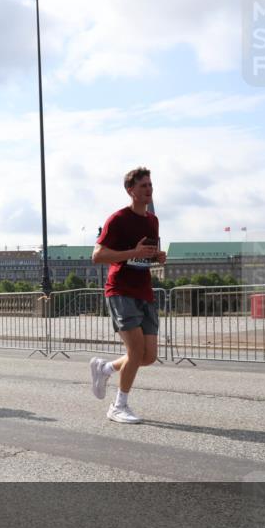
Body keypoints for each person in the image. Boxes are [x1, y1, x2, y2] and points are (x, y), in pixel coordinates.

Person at [89, 166, 166, 424]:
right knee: (135, 352)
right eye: (143, 186)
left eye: (150, 185)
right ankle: (118, 406)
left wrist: (158, 257)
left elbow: (146, 253)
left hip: (143, 290)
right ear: (130, 190)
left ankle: (106, 368)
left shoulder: (152, 220)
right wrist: (131, 252)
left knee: (148, 356)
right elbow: (97, 256)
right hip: (120, 290)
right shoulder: (118, 219)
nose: (149, 190)